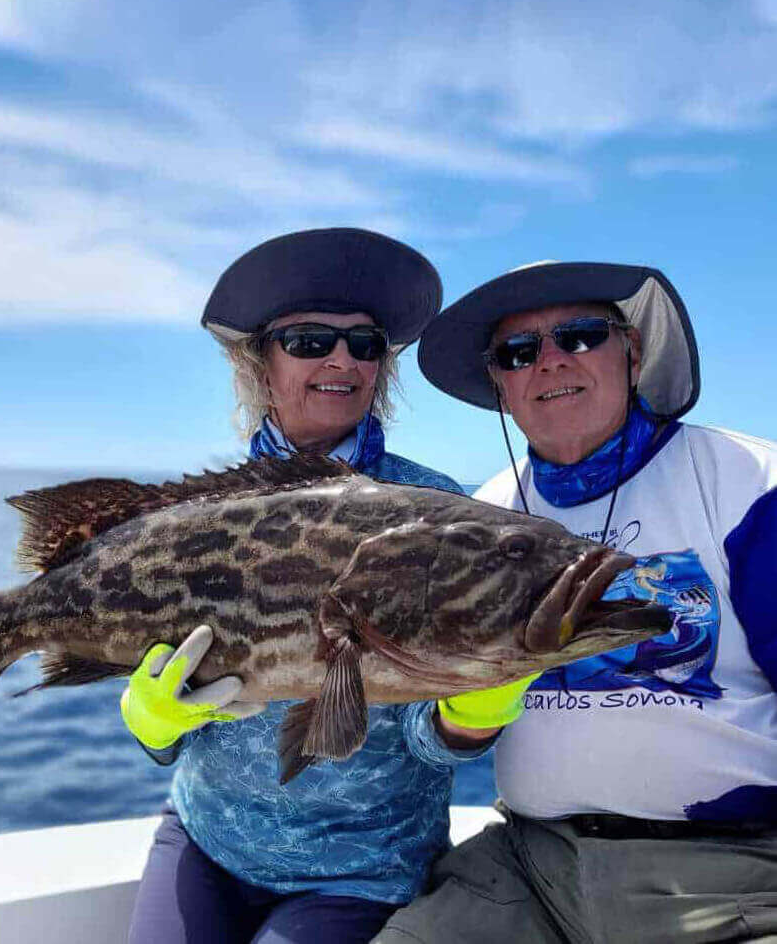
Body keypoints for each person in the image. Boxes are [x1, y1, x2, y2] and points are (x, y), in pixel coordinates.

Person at [119, 228, 534, 944]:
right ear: (260, 363)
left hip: (362, 871)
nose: (342, 359)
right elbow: (148, 664)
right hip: (206, 840)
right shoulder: (197, 517)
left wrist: (471, 717)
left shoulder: (433, 512)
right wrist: (154, 727)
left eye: (365, 344)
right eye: (311, 341)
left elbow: (425, 738)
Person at [373, 260, 777, 943]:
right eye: (520, 352)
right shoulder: (479, 513)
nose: (551, 362)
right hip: (530, 867)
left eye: (582, 336)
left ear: (633, 350)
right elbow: (428, 729)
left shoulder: (750, 483)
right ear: (500, 385)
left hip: (730, 871)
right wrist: (463, 717)